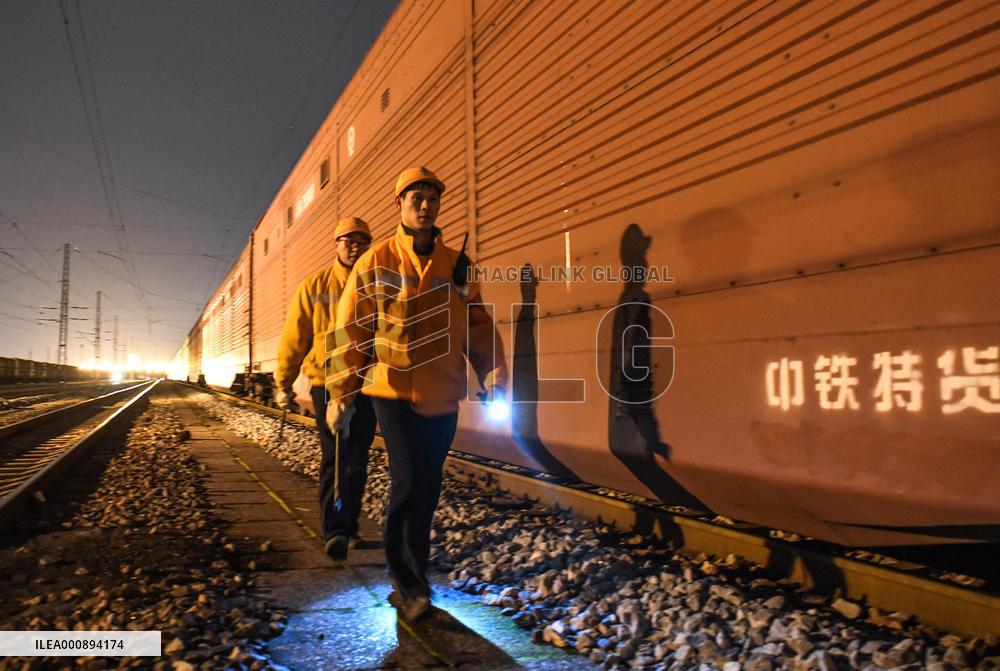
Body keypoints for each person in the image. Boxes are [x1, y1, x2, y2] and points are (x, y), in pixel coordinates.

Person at [325, 167, 508, 622]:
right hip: (391, 392)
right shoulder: (377, 262)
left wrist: (494, 377)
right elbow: (351, 331)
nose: (424, 206)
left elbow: (478, 326)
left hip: (443, 393)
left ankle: (415, 575)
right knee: (407, 481)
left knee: (428, 487)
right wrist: (341, 393)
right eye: (415, 198)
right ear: (399, 204)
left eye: (432, 198)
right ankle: (407, 583)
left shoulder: (458, 265)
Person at [275, 217, 378, 560]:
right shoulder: (314, 286)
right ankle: (334, 530)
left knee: (358, 458)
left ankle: (349, 526)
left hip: (367, 382)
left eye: (362, 241)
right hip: (326, 383)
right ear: (336, 245)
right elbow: (295, 338)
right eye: (348, 240)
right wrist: (282, 383)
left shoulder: (378, 285)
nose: (355, 246)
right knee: (336, 455)